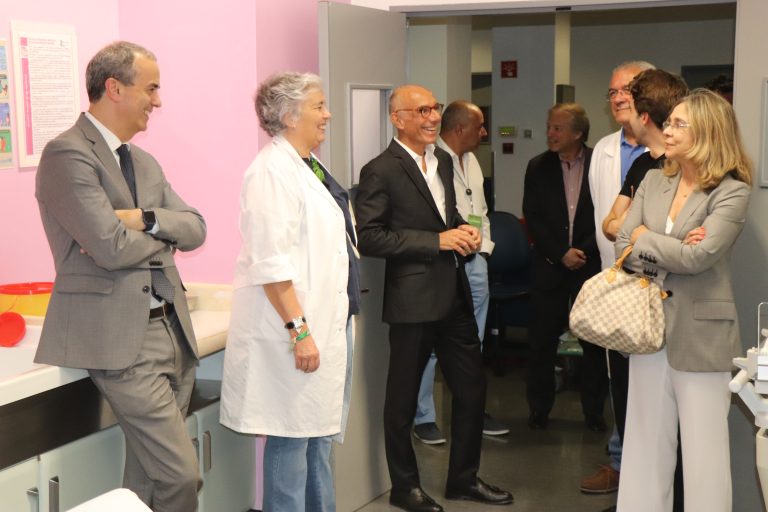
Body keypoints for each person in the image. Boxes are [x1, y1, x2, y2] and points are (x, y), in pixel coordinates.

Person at [34, 41, 206, 511]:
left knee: (146, 480)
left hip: (172, 330)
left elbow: (196, 228)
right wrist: (164, 236)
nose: (158, 101)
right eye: (150, 88)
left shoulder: (143, 162)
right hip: (121, 342)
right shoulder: (67, 155)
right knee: (181, 476)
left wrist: (145, 219)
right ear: (114, 88)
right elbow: (111, 248)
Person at [354, 84, 513, 512]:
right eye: (422, 110)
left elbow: (445, 215)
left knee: (472, 388)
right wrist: (436, 242)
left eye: (435, 108)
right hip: (412, 300)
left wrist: (464, 230)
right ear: (398, 118)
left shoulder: (441, 161)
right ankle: (404, 487)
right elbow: (370, 237)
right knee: (402, 401)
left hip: (453, 294)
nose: (433, 117)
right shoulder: (380, 170)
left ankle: (463, 479)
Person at [219, 72, 360, 512]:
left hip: (326, 322)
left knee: (317, 442)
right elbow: (270, 262)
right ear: (289, 115)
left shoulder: (308, 165)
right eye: (318, 106)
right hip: (293, 330)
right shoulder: (270, 172)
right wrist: (299, 331)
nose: (327, 114)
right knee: (291, 441)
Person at [615, 88, 751, 511]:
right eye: (668, 122)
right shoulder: (654, 179)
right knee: (643, 450)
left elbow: (699, 257)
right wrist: (669, 245)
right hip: (647, 330)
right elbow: (622, 242)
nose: (667, 130)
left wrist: (646, 238)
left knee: (705, 459)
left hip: (702, 337)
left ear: (708, 132)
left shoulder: (731, 191)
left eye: (678, 124)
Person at [412, 100, 508, 445]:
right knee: (433, 344)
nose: (484, 132)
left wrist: (483, 250)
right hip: (446, 264)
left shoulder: (472, 161)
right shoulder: (432, 161)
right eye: (479, 126)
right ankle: (423, 416)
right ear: (459, 129)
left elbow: (481, 210)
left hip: (476, 261)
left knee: (471, 344)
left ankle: (472, 411)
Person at [583, 60, 654, 497]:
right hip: (615, 281)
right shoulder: (605, 150)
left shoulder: (666, 152)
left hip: (654, 281)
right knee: (621, 381)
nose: (619, 97)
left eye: (627, 89)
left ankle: (647, 476)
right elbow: (604, 222)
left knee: (653, 383)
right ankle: (621, 463)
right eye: (612, 92)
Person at [522, 103, 606, 432]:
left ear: (578, 133)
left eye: (558, 128)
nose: (550, 133)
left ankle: (594, 413)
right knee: (541, 343)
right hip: (549, 266)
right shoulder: (537, 167)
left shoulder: (601, 163)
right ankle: (538, 410)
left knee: (594, 344)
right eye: (549, 127)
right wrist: (560, 253)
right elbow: (533, 216)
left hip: (589, 266)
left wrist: (581, 251)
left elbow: (608, 214)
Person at [603, 69, 689, 242]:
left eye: (631, 110)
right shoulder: (641, 163)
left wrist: (624, 226)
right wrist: (627, 226)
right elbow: (608, 225)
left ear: (643, 117)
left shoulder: (682, 167)